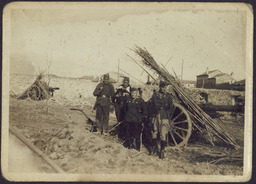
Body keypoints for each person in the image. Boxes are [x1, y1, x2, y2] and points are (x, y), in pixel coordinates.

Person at [150, 80, 174, 159]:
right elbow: (152, 105)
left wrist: (166, 113)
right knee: (154, 132)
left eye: (165, 87)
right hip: (156, 115)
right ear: (160, 87)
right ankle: (154, 148)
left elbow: (171, 107)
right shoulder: (155, 95)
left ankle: (162, 150)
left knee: (163, 134)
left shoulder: (168, 96)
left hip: (164, 116)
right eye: (162, 87)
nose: (164, 89)